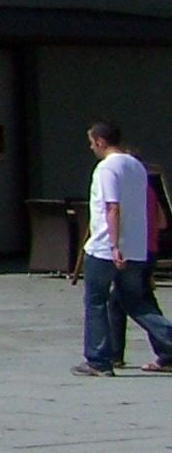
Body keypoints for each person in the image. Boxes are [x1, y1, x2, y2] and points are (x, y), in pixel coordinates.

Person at [74, 121, 172, 375]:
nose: (91, 146)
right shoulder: (137, 167)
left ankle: (99, 360)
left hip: (106, 248)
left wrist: (114, 244)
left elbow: (112, 207)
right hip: (137, 247)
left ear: (100, 141)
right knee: (137, 303)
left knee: (96, 301)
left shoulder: (107, 168)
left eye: (91, 142)